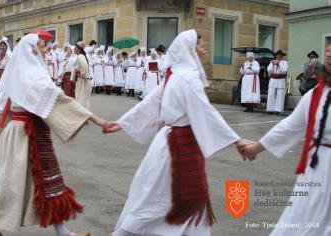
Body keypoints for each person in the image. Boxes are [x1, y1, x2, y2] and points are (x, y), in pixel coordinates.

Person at [103, 30, 250, 236]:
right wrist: (236, 140)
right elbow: (205, 112)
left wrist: (122, 123)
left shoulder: (174, 75)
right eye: (200, 46)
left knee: (158, 195)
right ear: (190, 51)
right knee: (163, 198)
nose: (204, 51)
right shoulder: (187, 78)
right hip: (178, 148)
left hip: (167, 145)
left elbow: (152, 101)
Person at [0, 32, 107, 236]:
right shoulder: (31, 76)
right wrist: (96, 119)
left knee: (49, 181)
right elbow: (5, 106)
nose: (45, 49)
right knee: (10, 183)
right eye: (41, 46)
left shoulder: (28, 73)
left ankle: (62, 231)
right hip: (21, 135)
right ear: (31, 50)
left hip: (33, 132)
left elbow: (4, 106)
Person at [241, 43, 331, 236]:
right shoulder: (315, 95)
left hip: (320, 167)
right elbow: (289, 126)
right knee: (302, 219)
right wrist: (256, 148)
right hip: (316, 169)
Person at [266, 50, 289, 114]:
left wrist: (278, 64)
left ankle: (278, 110)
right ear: (276, 56)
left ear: (282, 56)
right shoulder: (272, 62)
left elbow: (284, 70)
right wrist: (273, 65)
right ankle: (270, 109)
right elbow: (269, 70)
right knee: (271, 94)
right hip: (273, 79)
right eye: (278, 55)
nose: (279, 56)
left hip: (281, 79)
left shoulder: (285, 62)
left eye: (280, 55)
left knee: (280, 94)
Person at [73, 42, 91, 109]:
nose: (74, 49)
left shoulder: (80, 56)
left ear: (78, 49)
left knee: (81, 100)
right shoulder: (82, 56)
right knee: (84, 101)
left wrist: (81, 75)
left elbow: (85, 67)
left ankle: (82, 117)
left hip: (83, 82)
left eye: (75, 47)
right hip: (84, 81)